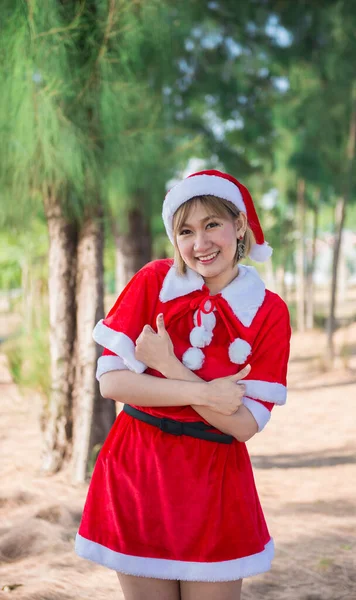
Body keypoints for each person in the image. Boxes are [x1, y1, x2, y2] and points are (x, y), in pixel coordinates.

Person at [75, 169, 291, 600]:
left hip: (215, 480)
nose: (200, 244)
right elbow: (113, 383)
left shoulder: (268, 312)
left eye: (212, 224)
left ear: (240, 226)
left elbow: (244, 425)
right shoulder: (155, 281)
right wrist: (204, 392)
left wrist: (168, 367)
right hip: (138, 470)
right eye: (186, 231)